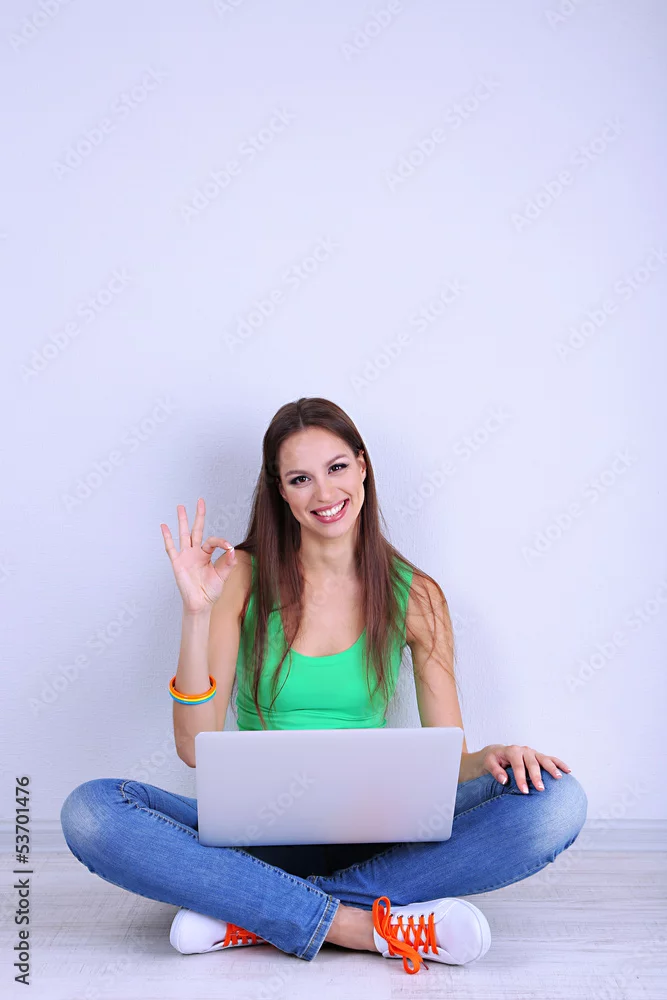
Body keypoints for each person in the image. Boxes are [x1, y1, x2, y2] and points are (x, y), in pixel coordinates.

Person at [60, 396, 588, 976]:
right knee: (92, 811)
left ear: (362, 467)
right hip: (255, 838)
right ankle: (358, 923)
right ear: (281, 492)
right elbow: (193, 746)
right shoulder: (239, 576)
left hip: (380, 836)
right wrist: (196, 613)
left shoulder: (417, 595)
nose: (324, 492)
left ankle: (256, 911)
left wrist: (492, 757)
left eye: (336, 467)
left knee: (557, 800)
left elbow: (447, 764)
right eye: (300, 479)